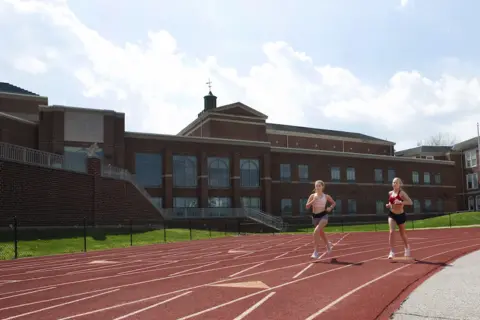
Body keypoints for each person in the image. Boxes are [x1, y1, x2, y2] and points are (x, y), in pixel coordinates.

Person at [305, 180, 336, 259]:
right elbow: (307, 206)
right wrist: (313, 201)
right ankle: (328, 245)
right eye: (316, 186)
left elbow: (333, 203)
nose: (317, 187)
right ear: (314, 187)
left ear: (322, 187)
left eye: (319, 186)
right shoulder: (312, 196)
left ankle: (316, 252)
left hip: (323, 215)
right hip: (315, 217)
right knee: (321, 233)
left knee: (316, 231)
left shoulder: (326, 196)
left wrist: (330, 208)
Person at [385, 177, 412, 259]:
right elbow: (391, 202)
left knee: (402, 233)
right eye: (393, 182)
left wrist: (401, 202)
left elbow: (410, 202)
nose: (394, 184)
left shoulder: (402, 193)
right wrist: (389, 205)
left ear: (399, 184)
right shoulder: (390, 193)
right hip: (392, 214)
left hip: (400, 215)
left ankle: (407, 248)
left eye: (396, 182)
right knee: (391, 232)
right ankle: (392, 251)